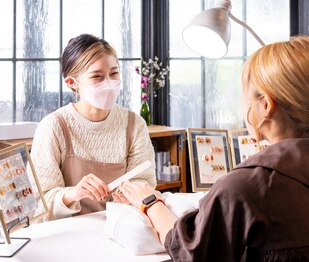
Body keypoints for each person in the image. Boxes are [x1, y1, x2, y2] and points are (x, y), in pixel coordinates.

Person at [119, 35, 309, 261]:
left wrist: (150, 202)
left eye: (245, 96)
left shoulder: (248, 186)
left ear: (266, 105)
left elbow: (193, 251)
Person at [30, 34, 156, 221]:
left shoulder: (134, 124)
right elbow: (39, 206)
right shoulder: (54, 127)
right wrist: (72, 194)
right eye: (97, 76)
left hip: (121, 226)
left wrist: (131, 197)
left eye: (114, 74)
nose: (109, 83)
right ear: (73, 83)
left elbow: (144, 183)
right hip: (68, 233)